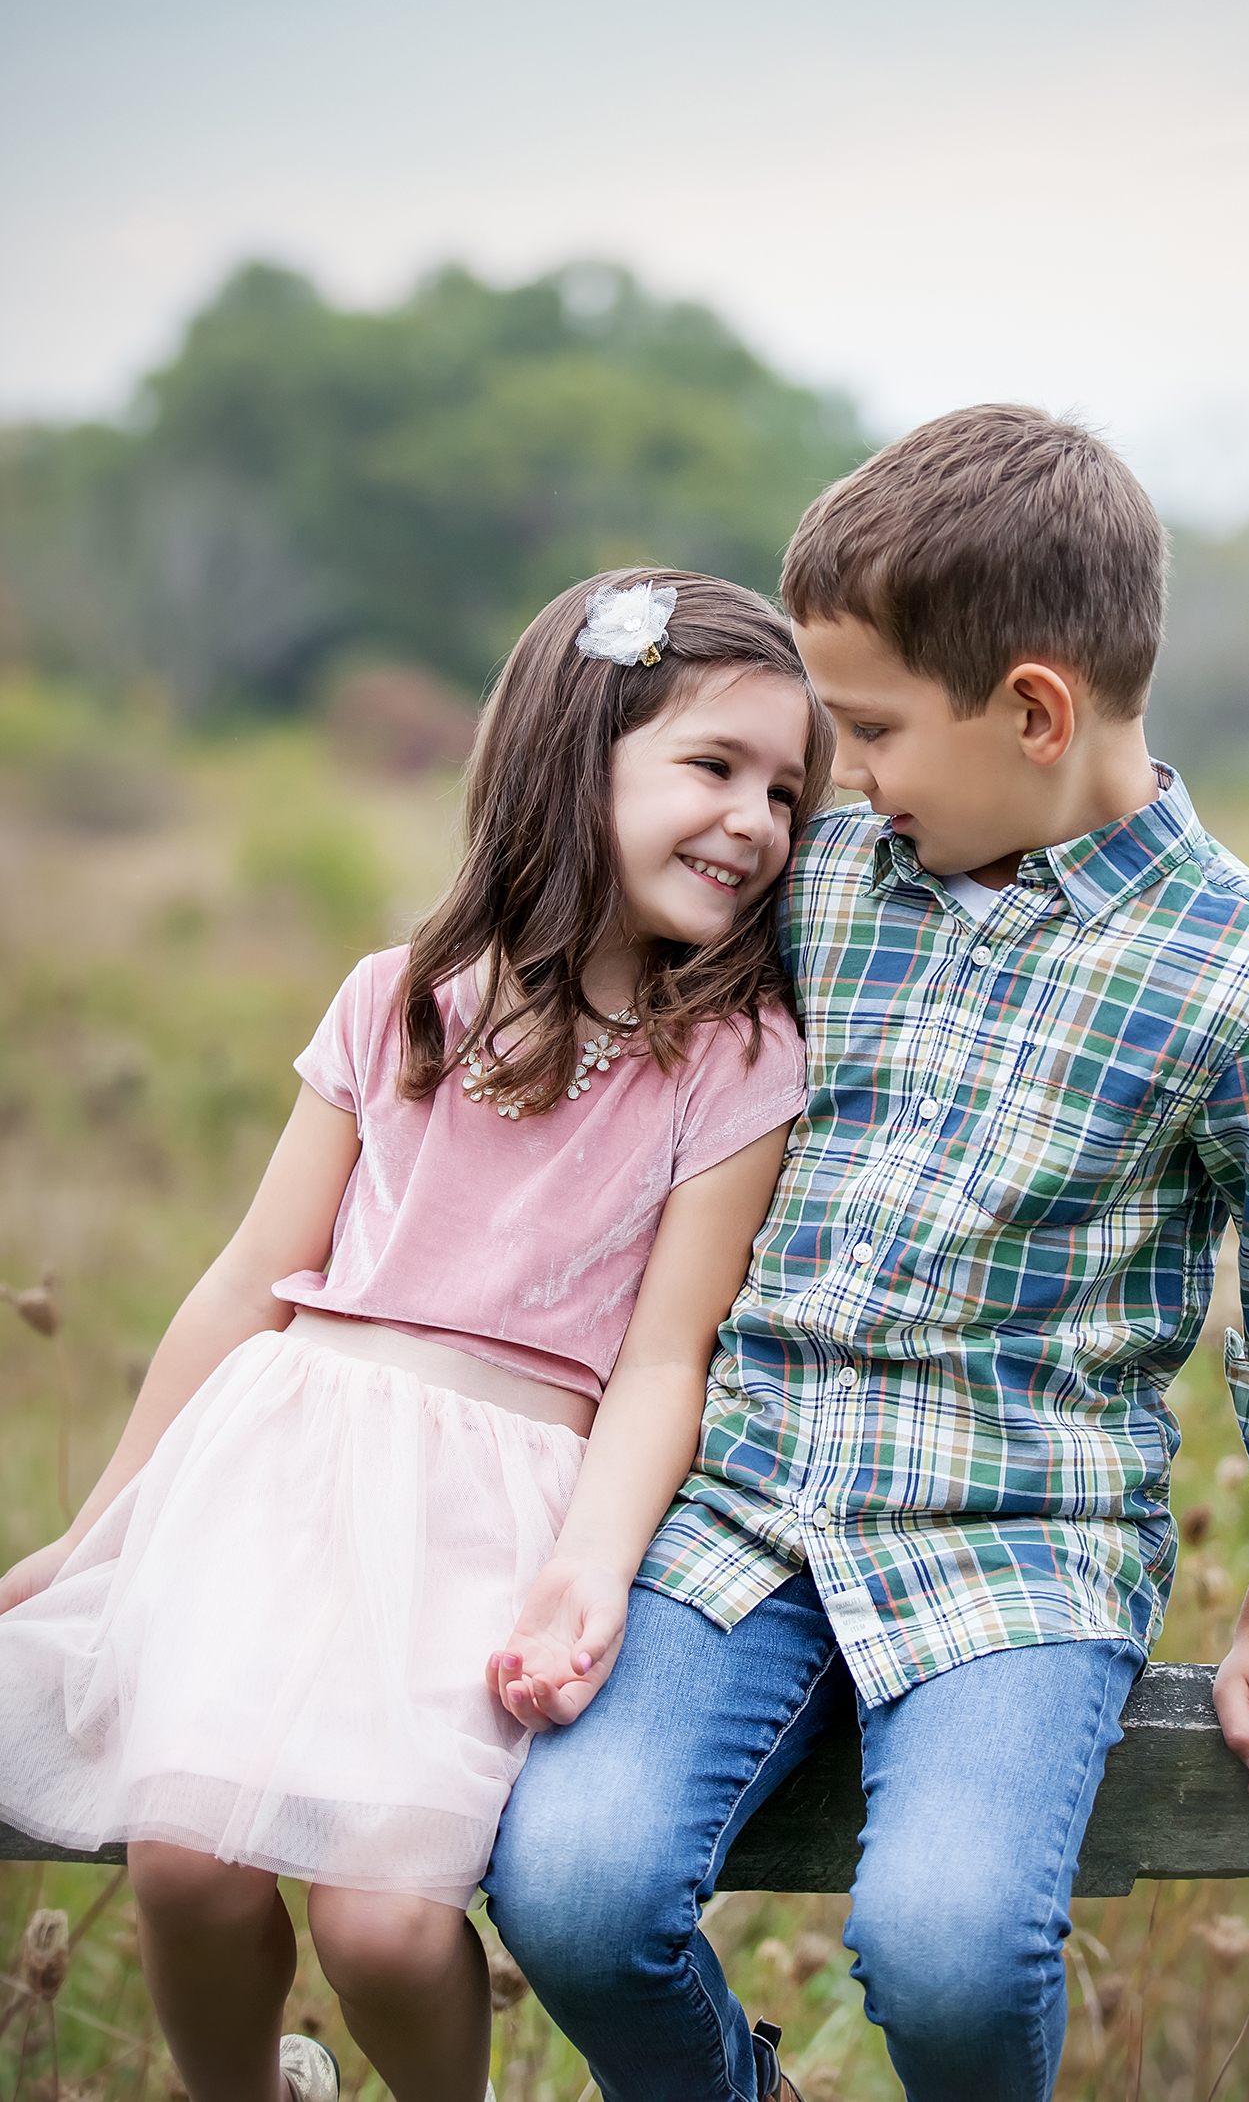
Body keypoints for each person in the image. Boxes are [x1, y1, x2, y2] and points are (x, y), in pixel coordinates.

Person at [485, 407, 1249, 2102]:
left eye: (869, 732)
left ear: (1035, 711)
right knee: (568, 1884)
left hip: (1022, 1543)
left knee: (951, 1953)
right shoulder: (830, 885)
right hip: (743, 1500)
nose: (844, 781)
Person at [0, 570, 834, 2102]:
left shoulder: (734, 1058)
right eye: (714, 769)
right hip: (283, 1469)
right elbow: (252, 1273)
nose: (758, 822)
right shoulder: (400, 1003)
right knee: (186, 1861)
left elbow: (666, 1358)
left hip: (493, 1514)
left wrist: (590, 1566)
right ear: (569, 759)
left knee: (387, 1923)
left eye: (788, 791)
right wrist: (105, 1524)